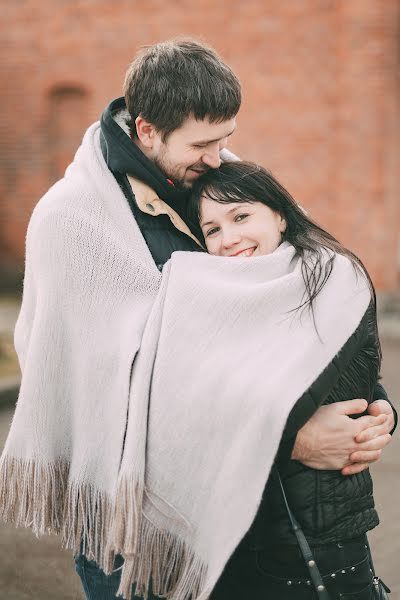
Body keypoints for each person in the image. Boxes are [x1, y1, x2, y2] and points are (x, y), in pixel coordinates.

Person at [0, 39, 395, 600]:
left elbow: (302, 301)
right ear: (146, 132)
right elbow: (127, 388)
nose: (218, 156)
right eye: (204, 143)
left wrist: (371, 404)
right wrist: (291, 438)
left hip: (237, 512)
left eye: (226, 139)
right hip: (133, 529)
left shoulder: (219, 186)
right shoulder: (72, 224)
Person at [182, 160, 394, 598]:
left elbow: (355, 380)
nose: (230, 238)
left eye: (241, 216)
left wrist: (382, 413)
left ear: (279, 214)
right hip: (237, 528)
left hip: (324, 527)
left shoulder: (332, 280)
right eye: (212, 230)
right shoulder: (210, 301)